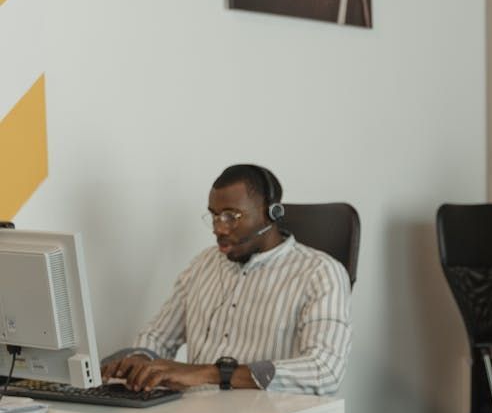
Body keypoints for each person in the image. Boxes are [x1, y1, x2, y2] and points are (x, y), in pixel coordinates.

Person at [101, 164, 352, 395]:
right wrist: (142, 359)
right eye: (214, 216)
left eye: (232, 216)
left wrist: (209, 374)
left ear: (271, 213)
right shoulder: (203, 265)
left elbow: (324, 371)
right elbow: (157, 336)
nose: (218, 229)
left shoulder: (320, 273)